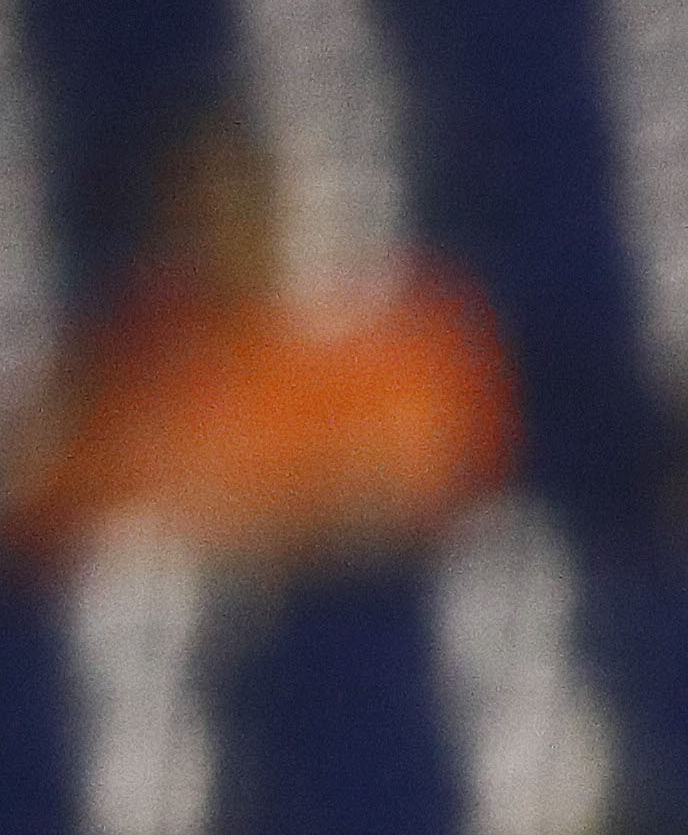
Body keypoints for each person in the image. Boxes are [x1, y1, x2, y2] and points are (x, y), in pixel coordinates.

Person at [11, 117, 516, 564]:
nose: (219, 224)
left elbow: (425, 481)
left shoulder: (405, 331)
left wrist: (264, 514)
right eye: (196, 205)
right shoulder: (136, 347)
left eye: (241, 196)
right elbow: (55, 504)